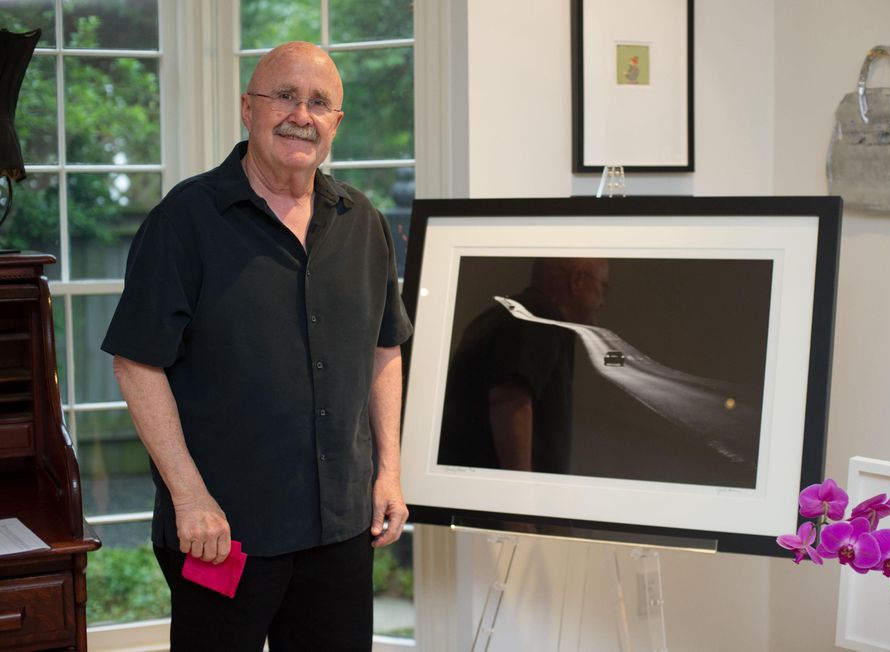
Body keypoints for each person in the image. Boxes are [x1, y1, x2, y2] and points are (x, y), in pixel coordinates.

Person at [101, 41, 413, 651]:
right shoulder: (184, 221)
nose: (302, 114)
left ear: (336, 124)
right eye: (285, 96)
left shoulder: (363, 222)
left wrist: (390, 472)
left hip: (340, 530)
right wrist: (189, 498)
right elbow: (137, 363)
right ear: (248, 109)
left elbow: (384, 350)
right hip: (222, 532)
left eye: (320, 102)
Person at [437, 258, 608, 473]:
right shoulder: (539, 315)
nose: (603, 300)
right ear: (578, 281)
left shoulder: (501, 316)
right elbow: (510, 400)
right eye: (603, 286)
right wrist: (519, 496)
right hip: (495, 499)